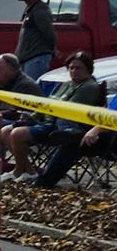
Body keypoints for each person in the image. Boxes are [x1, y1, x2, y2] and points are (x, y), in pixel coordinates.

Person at [6, 50, 112, 181]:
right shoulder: (66, 84)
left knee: (17, 134)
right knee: (5, 131)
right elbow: (48, 103)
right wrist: (32, 116)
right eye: (71, 68)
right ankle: (26, 170)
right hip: (46, 120)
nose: (74, 71)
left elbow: (67, 109)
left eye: (78, 68)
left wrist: (43, 115)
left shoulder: (89, 87)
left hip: (62, 126)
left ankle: (24, 172)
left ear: (88, 69)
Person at [14, 0, 58, 79]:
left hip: (36, 58)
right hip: (27, 59)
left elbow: (49, 32)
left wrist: (53, 48)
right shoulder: (30, 9)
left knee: (31, 89)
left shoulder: (40, 10)